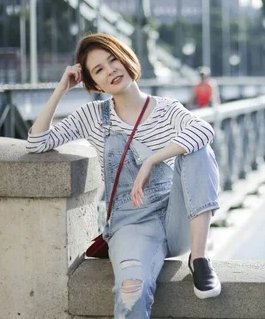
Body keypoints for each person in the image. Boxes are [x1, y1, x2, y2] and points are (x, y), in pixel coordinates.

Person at [26, 33, 221, 318]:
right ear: (94, 83)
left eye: (113, 59)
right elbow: (36, 143)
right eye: (98, 70)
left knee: (197, 149)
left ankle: (200, 259)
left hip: (177, 218)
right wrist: (61, 90)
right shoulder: (92, 116)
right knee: (131, 291)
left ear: (126, 57)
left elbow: (204, 130)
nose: (111, 70)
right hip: (132, 224)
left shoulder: (167, 109)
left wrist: (153, 159)